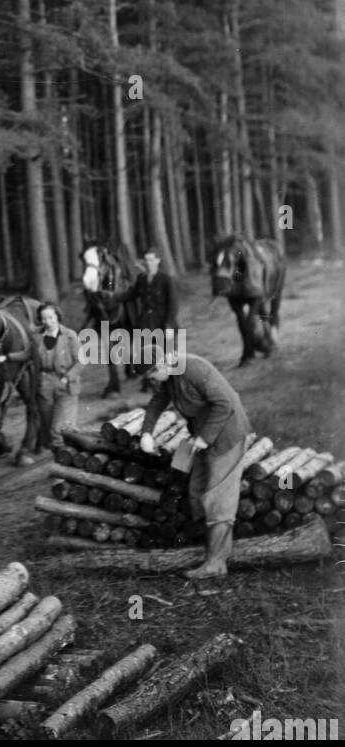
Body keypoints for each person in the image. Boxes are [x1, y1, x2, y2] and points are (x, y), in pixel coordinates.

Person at [139, 350, 251, 579]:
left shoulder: (193, 369)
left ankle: (216, 563)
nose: (151, 381)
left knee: (218, 497)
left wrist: (204, 439)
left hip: (226, 434)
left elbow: (224, 404)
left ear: (162, 364)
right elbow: (157, 402)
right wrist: (146, 434)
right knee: (196, 490)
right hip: (201, 434)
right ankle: (206, 549)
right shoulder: (167, 376)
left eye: (152, 375)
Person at [107, 247, 179, 392]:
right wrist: (113, 297)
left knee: (169, 356)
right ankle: (151, 385)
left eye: (151, 260)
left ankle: (175, 386)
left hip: (164, 324)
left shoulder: (166, 279)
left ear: (158, 260)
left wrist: (169, 325)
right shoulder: (142, 279)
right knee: (148, 356)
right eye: (146, 260)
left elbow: (173, 304)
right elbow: (131, 294)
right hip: (146, 324)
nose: (148, 263)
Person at [32, 302, 82, 450]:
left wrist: (68, 377)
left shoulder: (70, 335)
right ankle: (62, 458)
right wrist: (7, 357)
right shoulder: (36, 336)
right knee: (48, 429)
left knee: (58, 429)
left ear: (57, 317)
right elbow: (27, 354)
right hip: (44, 385)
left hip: (65, 384)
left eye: (51, 317)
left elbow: (82, 360)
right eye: (44, 318)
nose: (48, 321)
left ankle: (64, 460)